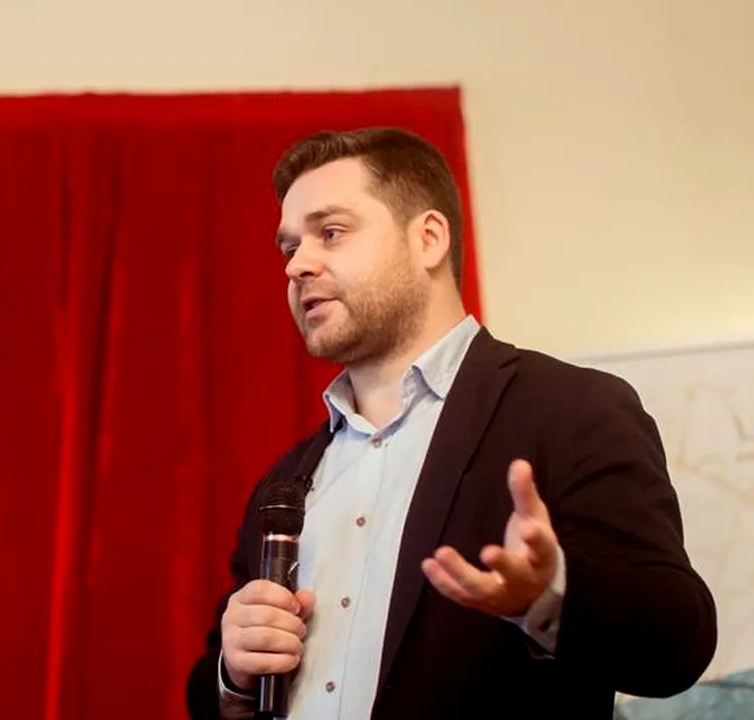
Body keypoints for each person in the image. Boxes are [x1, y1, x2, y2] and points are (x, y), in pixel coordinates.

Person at [185, 128, 717, 719]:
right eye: (289, 248)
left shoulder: (574, 410)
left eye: (330, 232)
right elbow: (214, 691)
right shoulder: (284, 484)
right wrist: (232, 676)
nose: (298, 265)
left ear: (429, 238)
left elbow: (677, 645)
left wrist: (550, 594)